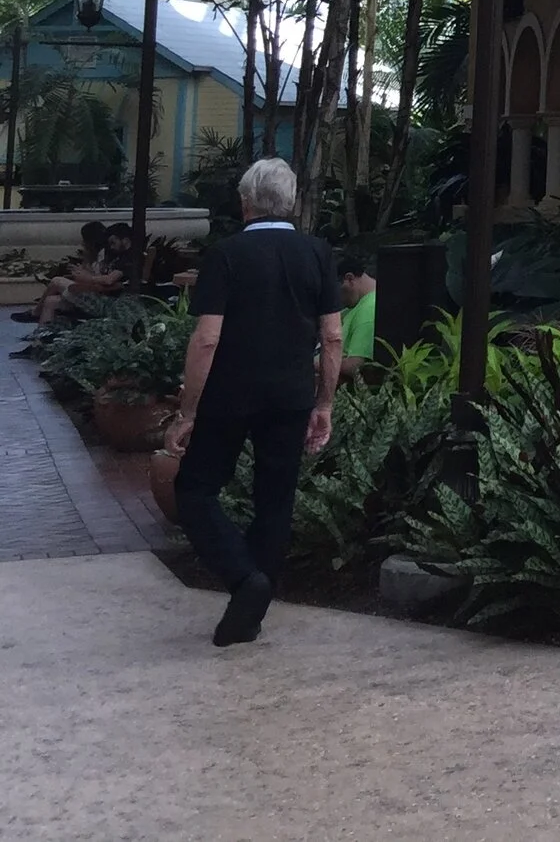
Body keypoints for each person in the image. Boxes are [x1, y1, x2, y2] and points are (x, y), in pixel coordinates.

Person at [164, 158, 342, 647]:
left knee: (195, 490)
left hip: (229, 393)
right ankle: (251, 608)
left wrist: (187, 411)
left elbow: (207, 339)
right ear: (291, 202)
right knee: (275, 501)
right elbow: (331, 336)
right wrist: (324, 404)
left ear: (245, 203)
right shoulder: (317, 253)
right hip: (291, 395)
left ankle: (245, 581)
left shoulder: (226, 254)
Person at [10, 221, 129, 344]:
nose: (111, 246)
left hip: (103, 300)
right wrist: (83, 272)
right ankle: (40, 341)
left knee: (56, 281)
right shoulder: (106, 256)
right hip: (93, 292)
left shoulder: (126, 259)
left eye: (113, 242)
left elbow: (108, 280)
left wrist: (87, 277)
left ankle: (36, 312)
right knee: (51, 301)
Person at [337, 258, 377, 380]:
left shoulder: (369, 309)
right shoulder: (358, 305)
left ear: (349, 279)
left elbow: (355, 366)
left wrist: (313, 364)